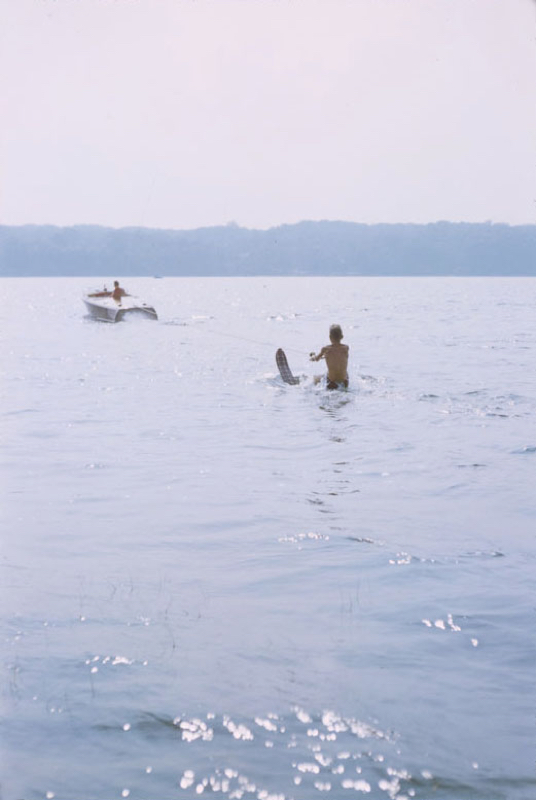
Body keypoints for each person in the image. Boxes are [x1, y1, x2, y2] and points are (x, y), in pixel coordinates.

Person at [310, 324, 349, 390]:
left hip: (331, 382)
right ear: (342, 336)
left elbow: (316, 359)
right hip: (344, 382)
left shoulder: (326, 349)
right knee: (346, 373)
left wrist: (313, 356)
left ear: (330, 337)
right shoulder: (346, 348)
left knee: (315, 378)